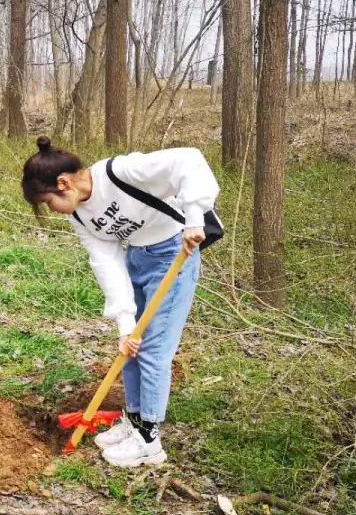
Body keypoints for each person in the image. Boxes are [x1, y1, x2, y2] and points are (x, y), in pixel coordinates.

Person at [20, 137, 219, 467]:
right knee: (131, 347)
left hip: (174, 254)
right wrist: (125, 324)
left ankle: (149, 441)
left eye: (48, 202)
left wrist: (195, 216)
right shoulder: (80, 217)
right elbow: (107, 264)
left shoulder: (121, 173)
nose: (52, 211)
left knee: (154, 350)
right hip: (138, 260)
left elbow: (188, 160)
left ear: (63, 183)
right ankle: (135, 420)